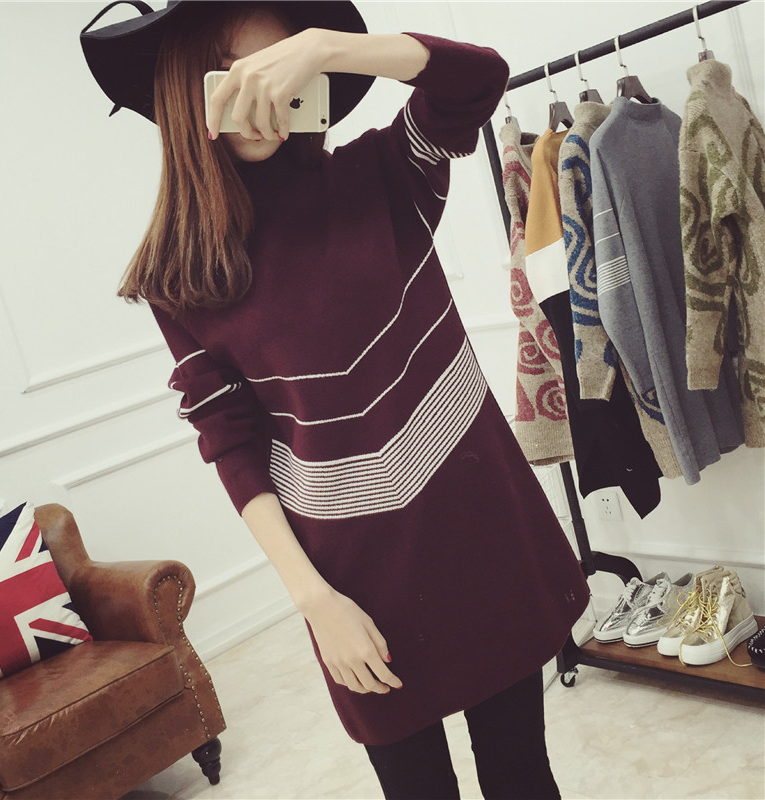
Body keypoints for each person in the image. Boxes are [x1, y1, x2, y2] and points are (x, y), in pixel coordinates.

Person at [81, 2, 591, 797]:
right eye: (231, 68)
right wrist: (314, 600)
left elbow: (478, 79)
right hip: (350, 580)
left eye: (278, 64)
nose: (263, 88)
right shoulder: (177, 279)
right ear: (186, 88)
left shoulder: (379, 174)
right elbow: (231, 442)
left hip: (479, 530)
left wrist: (329, 46)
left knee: (521, 774)